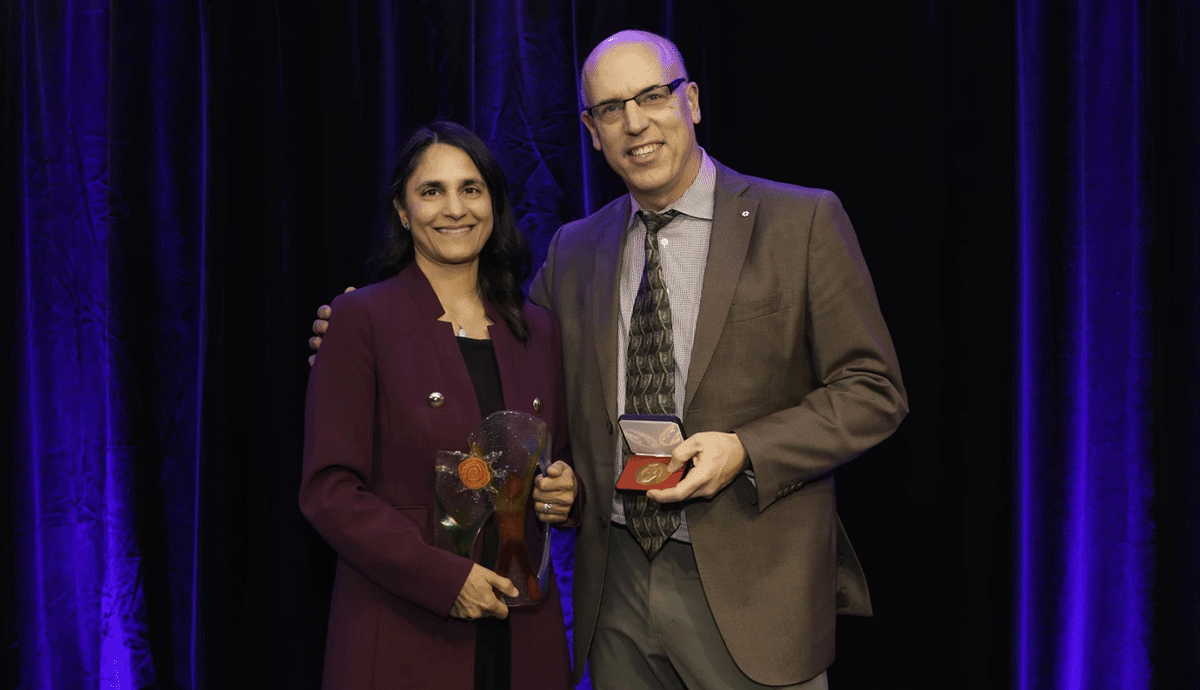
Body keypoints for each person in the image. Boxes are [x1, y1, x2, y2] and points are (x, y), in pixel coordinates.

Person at [312, 31, 906, 690]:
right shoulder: (575, 251)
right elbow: (498, 357)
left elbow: (873, 389)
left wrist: (747, 448)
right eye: (611, 109)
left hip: (752, 588)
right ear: (593, 132)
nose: (635, 123)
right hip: (615, 586)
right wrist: (360, 331)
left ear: (693, 101)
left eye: (652, 95)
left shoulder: (802, 223)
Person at [300, 121, 577, 690]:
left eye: (471, 189)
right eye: (432, 191)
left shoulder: (538, 331)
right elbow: (328, 491)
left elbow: (563, 462)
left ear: (494, 205)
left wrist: (567, 493)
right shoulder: (361, 321)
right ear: (403, 211)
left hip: (525, 638)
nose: (455, 208)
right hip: (405, 634)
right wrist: (445, 580)